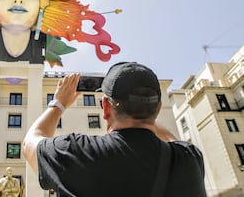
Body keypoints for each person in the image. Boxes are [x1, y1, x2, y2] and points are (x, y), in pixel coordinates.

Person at [22, 62, 207, 196]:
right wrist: (147, 116)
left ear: (106, 107)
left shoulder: (76, 151)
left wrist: (59, 104)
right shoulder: (190, 159)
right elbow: (173, 140)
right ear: (158, 109)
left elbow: (29, 144)